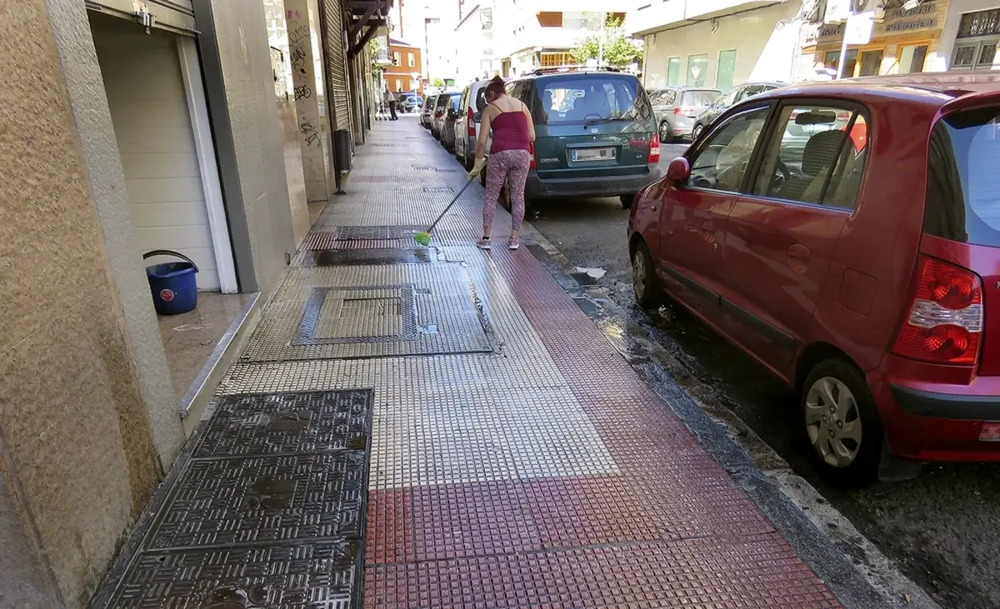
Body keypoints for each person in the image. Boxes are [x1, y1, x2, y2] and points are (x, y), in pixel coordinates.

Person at [468, 75, 535, 250]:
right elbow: (532, 136)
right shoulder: (522, 106)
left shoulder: (491, 109)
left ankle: (487, 238)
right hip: (522, 153)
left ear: (491, 93)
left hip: (500, 154)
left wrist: (478, 162)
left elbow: (481, 140)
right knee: (518, 195)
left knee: (491, 195)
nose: (487, 101)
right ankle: (514, 239)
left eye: (486, 98)